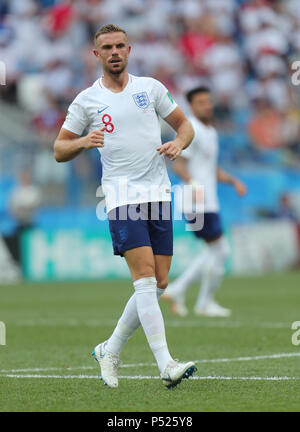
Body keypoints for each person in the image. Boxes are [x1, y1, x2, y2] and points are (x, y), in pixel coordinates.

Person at [54, 24, 196, 389]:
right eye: (107, 47)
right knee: (146, 281)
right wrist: (85, 140)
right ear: (96, 54)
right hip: (121, 197)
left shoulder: (150, 89)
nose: (114, 51)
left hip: (158, 193)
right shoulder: (86, 100)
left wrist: (178, 144)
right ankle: (166, 364)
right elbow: (59, 149)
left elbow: (184, 126)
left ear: (129, 50)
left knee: (160, 282)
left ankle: (109, 348)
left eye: (120, 46)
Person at [163, 86, 247, 317]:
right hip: (197, 200)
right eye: (201, 102)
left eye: (208, 101)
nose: (207, 106)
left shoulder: (210, 131)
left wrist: (233, 181)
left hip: (207, 200)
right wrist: (194, 185)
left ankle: (180, 290)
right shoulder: (192, 130)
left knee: (216, 250)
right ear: (191, 106)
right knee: (221, 250)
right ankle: (203, 302)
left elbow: (211, 168)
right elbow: (178, 163)